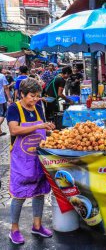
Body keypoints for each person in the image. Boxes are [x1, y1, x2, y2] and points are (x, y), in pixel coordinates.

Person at [7, 78, 55, 244]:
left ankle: (37, 225)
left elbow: (42, 130)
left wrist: (49, 129)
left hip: (37, 158)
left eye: (37, 96)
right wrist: (38, 127)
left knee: (40, 192)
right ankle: (14, 229)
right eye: (32, 96)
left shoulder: (39, 107)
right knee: (19, 195)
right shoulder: (14, 108)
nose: (35, 99)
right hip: (21, 160)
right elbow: (14, 130)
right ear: (22, 94)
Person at [0, 67, 12, 136]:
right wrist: (9, 98)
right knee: (2, 114)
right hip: (1, 99)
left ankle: (0, 132)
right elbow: (6, 88)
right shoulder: (2, 76)